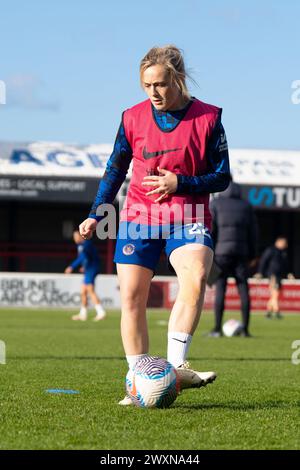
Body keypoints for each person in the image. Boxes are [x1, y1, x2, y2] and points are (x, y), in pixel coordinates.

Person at [79, 45, 230, 405]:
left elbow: (222, 177)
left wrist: (181, 183)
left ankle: (174, 370)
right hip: (138, 217)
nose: (154, 93)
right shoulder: (132, 118)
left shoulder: (208, 118)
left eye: (161, 84)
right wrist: (96, 212)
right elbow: (115, 169)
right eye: (147, 85)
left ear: (177, 79)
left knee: (194, 279)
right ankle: (138, 381)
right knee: (132, 298)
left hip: (188, 215)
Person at [209, 179, 258, 337]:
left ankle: (217, 328)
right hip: (241, 253)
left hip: (221, 253)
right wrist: (252, 254)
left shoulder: (216, 204)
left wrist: (211, 251)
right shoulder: (246, 206)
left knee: (221, 289)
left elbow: (212, 230)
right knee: (243, 289)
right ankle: (246, 329)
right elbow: (253, 233)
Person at [64, 230, 106, 321]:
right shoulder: (80, 246)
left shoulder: (87, 244)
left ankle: (101, 312)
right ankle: (83, 314)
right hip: (88, 269)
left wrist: (71, 266)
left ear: (81, 236)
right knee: (83, 292)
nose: (74, 239)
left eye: (76, 236)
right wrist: (84, 266)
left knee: (90, 290)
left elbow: (83, 257)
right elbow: (86, 258)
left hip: (92, 269)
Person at [256, 236, 293, 319]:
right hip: (273, 275)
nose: (286, 245)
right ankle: (276, 311)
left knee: (275, 294)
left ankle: (268, 312)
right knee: (275, 293)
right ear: (278, 242)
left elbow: (286, 265)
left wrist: (289, 273)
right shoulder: (271, 250)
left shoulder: (283, 252)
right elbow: (263, 261)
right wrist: (260, 272)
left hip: (280, 275)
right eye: (284, 243)